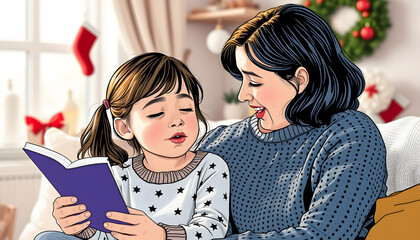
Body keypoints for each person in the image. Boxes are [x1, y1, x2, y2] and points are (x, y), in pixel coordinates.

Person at [197, 4, 387, 239]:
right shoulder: (219, 142)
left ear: (299, 80)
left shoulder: (351, 135)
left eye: (255, 82)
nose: (242, 95)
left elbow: (323, 235)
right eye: (241, 79)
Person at [35, 53, 230, 240]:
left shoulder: (210, 167)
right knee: (47, 237)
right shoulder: (120, 175)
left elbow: (212, 230)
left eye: (186, 109)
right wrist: (82, 228)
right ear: (124, 127)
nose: (177, 120)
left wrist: (160, 235)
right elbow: (108, 234)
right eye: (156, 113)